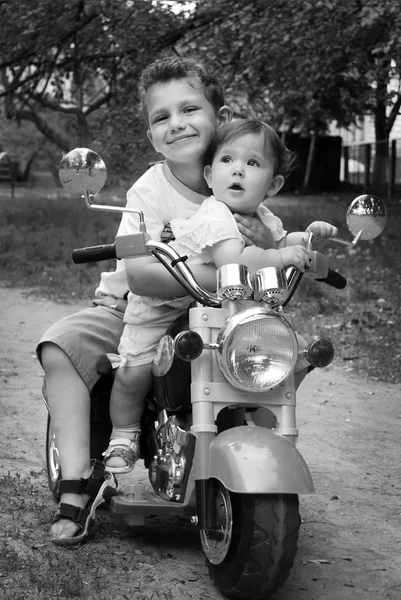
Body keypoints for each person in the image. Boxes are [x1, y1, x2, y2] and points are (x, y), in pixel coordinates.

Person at [36, 56, 275, 545]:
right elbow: (141, 275)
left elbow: (273, 247)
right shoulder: (144, 192)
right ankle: (78, 483)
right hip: (130, 311)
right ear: (150, 135)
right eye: (161, 117)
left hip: (213, 312)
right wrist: (234, 267)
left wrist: (284, 252)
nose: (177, 123)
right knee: (60, 346)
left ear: (220, 115)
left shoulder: (240, 182)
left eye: (190, 108)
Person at [102, 118, 338, 475]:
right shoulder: (214, 215)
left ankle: (257, 420)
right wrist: (279, 257)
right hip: (163, 306)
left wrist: (306, 240)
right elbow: (236, 260)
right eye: (227, 160)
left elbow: (280, 239)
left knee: (296, 356)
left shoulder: (261, 216)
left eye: (253, 163)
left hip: (223, 309)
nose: (238, 170)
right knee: (134, 370)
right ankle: (124, 433)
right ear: (210, 177)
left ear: (273, 184)